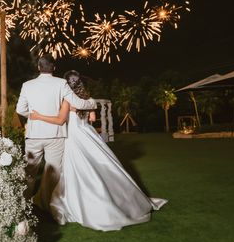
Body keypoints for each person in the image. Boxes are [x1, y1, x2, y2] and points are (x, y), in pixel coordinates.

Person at [29, 70, 167, 231]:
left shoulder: (66, 99)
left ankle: (79, 202)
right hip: (88, 134)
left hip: (72, 137)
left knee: (73, 169)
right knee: (103, 165)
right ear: (80, 83)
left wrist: (39, 116)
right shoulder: (88, 99)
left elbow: (60, 120)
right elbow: (93, 119)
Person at [15, 55, 97, 211]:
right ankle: (46, 206)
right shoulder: (61, 83)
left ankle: (23, 205)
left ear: (38, 67)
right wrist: (92, 103)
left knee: (29, 171)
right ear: (54, 68)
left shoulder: (27, 85)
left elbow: (20, 109)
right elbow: (78, 103)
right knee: (52, 173)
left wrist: (33, 117)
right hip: (56, 135)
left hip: (34, 134)